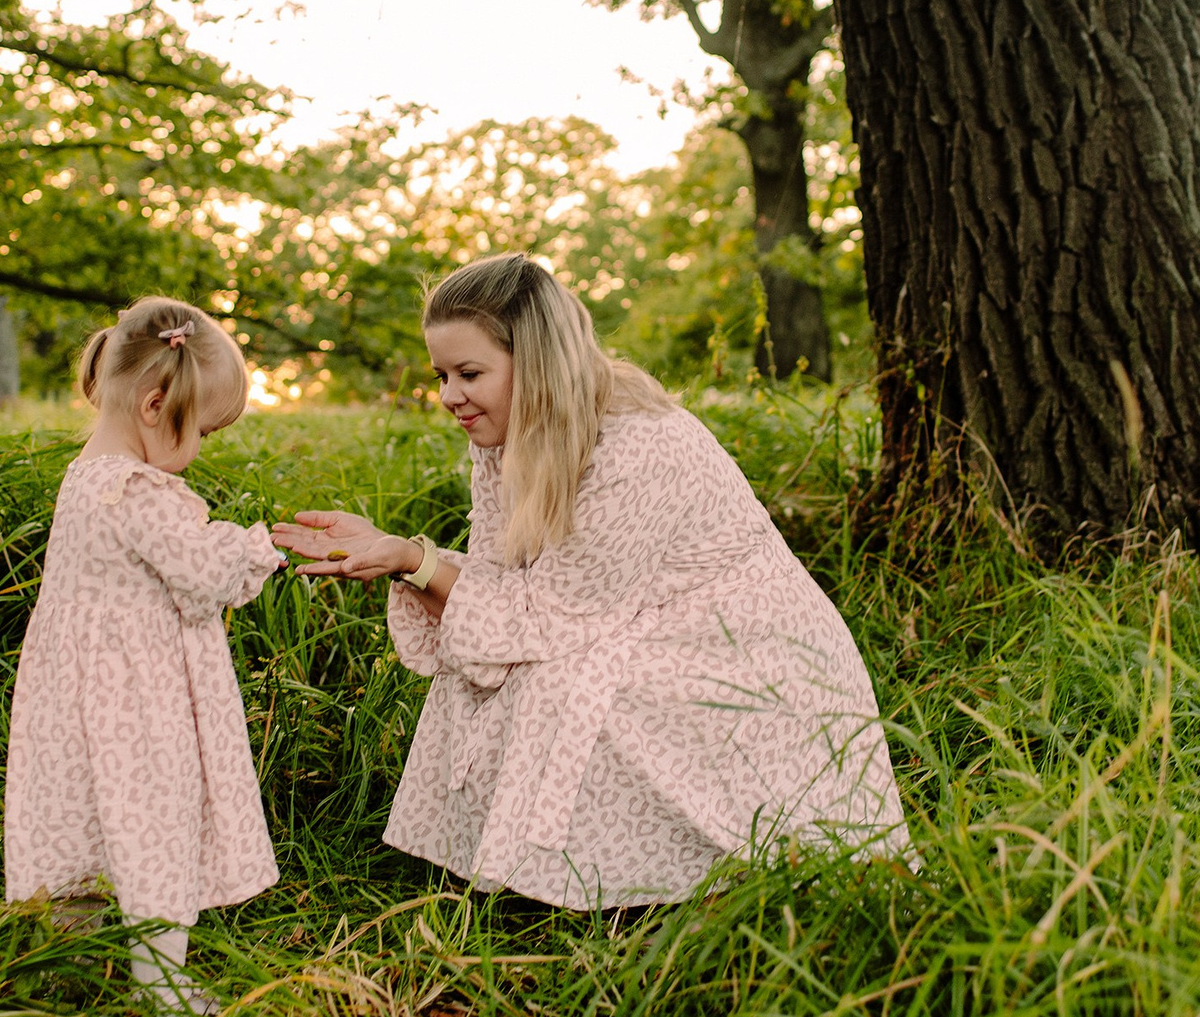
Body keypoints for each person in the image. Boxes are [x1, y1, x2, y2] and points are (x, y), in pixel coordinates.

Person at [273, 255, 906, 911]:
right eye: (441, 375)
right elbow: (502, 579)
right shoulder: (503, 438)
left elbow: (545, 618)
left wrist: (414, 559)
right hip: (626, 615)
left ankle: (632, 888)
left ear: (538, 360)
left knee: (561, 677)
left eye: (469, 373)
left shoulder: (635, 447)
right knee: (487, 655)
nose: (448, 396)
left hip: (747, 654)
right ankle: (511, 872)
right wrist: (404, 554)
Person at [4, 296, 286, 1016]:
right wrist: (264, 545)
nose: (200, 452)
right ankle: (161, 981)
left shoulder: (84, 477)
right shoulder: (142, 491)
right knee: (155, 819)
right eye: (203, 431)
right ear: (158, 403)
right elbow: (204, 577)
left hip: (74, 695)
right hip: (139, 697)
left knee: (82, 814)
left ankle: (62, 963)